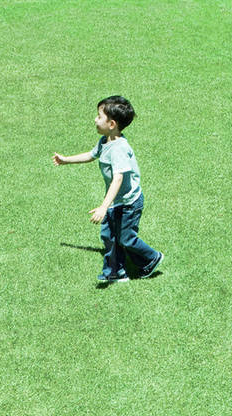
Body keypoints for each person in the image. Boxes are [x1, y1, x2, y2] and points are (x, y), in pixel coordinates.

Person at [53, 95, 163, 283]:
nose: (95, 120)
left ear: (111, 124)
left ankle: (151, 258)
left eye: (99, 116)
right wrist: (66, 160)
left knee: (126, 239)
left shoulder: (119, 148)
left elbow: (118, 178)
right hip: (116, 201)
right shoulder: (105, 141)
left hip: (129, 203)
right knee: (109, 235)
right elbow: (91, 155)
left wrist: (104, 206)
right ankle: (116, 272)